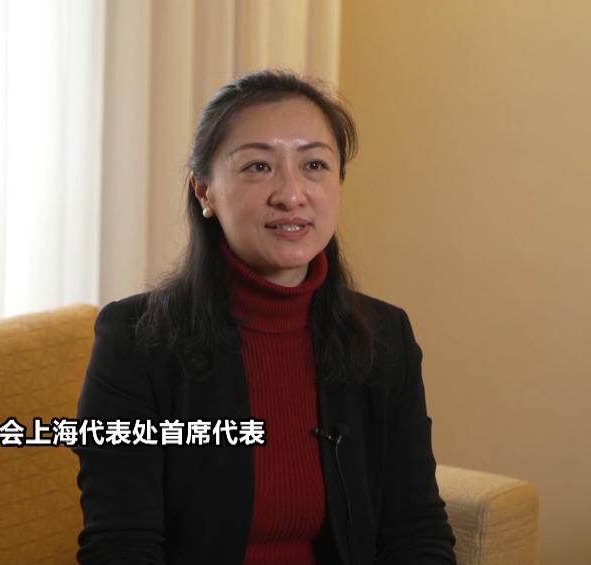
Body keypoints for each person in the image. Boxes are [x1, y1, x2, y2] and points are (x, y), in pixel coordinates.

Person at [73, 69, 456, 565]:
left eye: (314, 164)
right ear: (204, 192)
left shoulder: (385, 337)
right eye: (258, 166)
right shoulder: (134, 340)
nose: (291, 194)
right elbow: (120, 547)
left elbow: (416, 531)